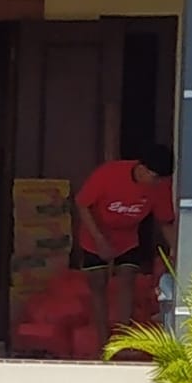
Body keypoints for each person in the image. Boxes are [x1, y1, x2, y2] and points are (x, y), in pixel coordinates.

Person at [76, 144, 177, 344]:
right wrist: (99, 240)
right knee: (98, 282)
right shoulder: (109, 173)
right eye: (154, 177)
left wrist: (178, 252)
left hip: (127, 237)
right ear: (142, 169)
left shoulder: (160, 186)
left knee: (127, 278)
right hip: (95, 234)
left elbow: (164, 220)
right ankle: (103, 341)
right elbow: (82, 203)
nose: (157, 183)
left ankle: (123, 339)